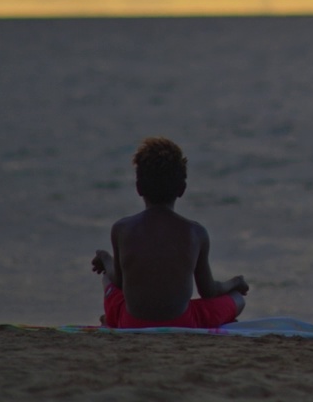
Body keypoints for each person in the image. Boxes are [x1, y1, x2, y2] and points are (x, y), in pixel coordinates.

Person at [90, 137, 249, 329]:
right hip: (183, 322)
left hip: (130, 322)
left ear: (139, 188)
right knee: (238, 299)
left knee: (107, 278)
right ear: (182, 189)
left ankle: (112, 319)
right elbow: (209, 291)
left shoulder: (121, 228)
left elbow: (120, 282)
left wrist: (106, 258)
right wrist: (235, 282)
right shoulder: (195, 233)